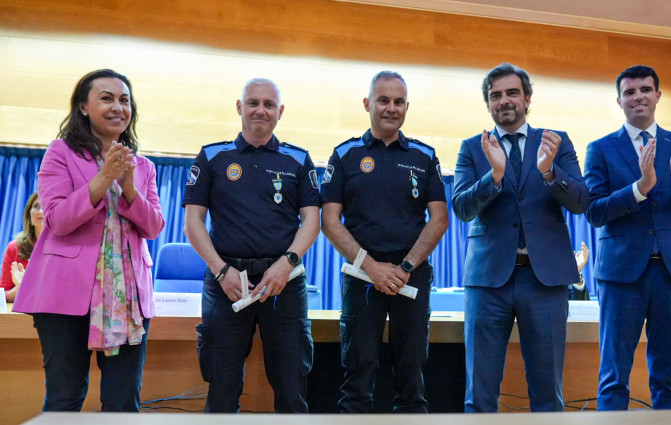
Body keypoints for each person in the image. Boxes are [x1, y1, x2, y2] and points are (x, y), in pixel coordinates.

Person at [12, 69, 165, 412]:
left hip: (128, 298)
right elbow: (59, 221)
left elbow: (154, 227)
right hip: (65, 295)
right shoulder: (60, 153)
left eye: (124, 100)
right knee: (65, 398)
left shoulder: (144, 166)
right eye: (106, 98)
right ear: (83, 107)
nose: (118, 107)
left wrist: (128, 186)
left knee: (123, 402)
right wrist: (104, 178)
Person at [452, 62, 588, 412]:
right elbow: (462, 209)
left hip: (544, 280)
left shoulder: (556, 142)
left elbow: (579, 201)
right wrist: (494, 176)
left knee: (547, 392)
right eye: (495, 96)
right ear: (488, 105)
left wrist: (548, 172)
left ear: (527, 99)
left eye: (512, 93)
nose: (504, 101)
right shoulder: (472, 147)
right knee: (479, 393)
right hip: (488, 281)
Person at [184, 78, 320, 413]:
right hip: (227, 282)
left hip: (284, 283)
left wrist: (286, 264)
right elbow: (193, 223)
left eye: (269, 104)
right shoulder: (212, 157)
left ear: (280, 112)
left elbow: (312, 221)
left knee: (291, 388)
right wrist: (221, 271)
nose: (261, 110)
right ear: (239, 107)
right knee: (222, 389)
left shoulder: (298, 160)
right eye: (253, 103)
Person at [583, 65, 671, 410]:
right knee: (613, 377)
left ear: (658, 95)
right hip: (621, 275)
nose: (637, 96)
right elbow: (594, 212)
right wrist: (639, 189)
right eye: (629, 92)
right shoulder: (600, 149)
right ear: (619, 100)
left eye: (645, 89)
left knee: (669, 378)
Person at [320, 71, 448, 413]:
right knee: (358, 375)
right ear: (367, 104)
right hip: (362, 275)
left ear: (407, 106)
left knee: (411, 374)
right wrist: (371, 267)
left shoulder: (425, 156)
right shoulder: (345, 154)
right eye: (383, 100)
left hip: (412, 276)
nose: (391, 108)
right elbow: (328, 221)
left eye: (399, 101)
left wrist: (405, 267)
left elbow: (439, 219)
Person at [1, 192, 44, 302]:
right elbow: (3, 295)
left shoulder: (66, 247)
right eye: (36, 206)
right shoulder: (14, 248)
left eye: (46, 205)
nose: (40, 211)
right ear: (29, 218)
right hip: (23, 315)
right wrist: (21, 287)